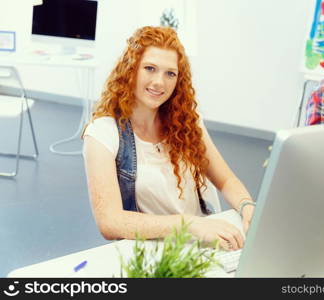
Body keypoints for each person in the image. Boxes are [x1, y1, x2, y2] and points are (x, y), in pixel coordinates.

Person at [82, 26, 255, 251]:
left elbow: (226, 180)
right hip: (155, 249)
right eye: (150, 68)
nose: (159, 83)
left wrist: (247, 206)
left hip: (204, 240)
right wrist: (188, 224)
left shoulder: (187, 121)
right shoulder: (102, 133)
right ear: (130, 69)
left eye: (170, 73)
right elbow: (110, 222)